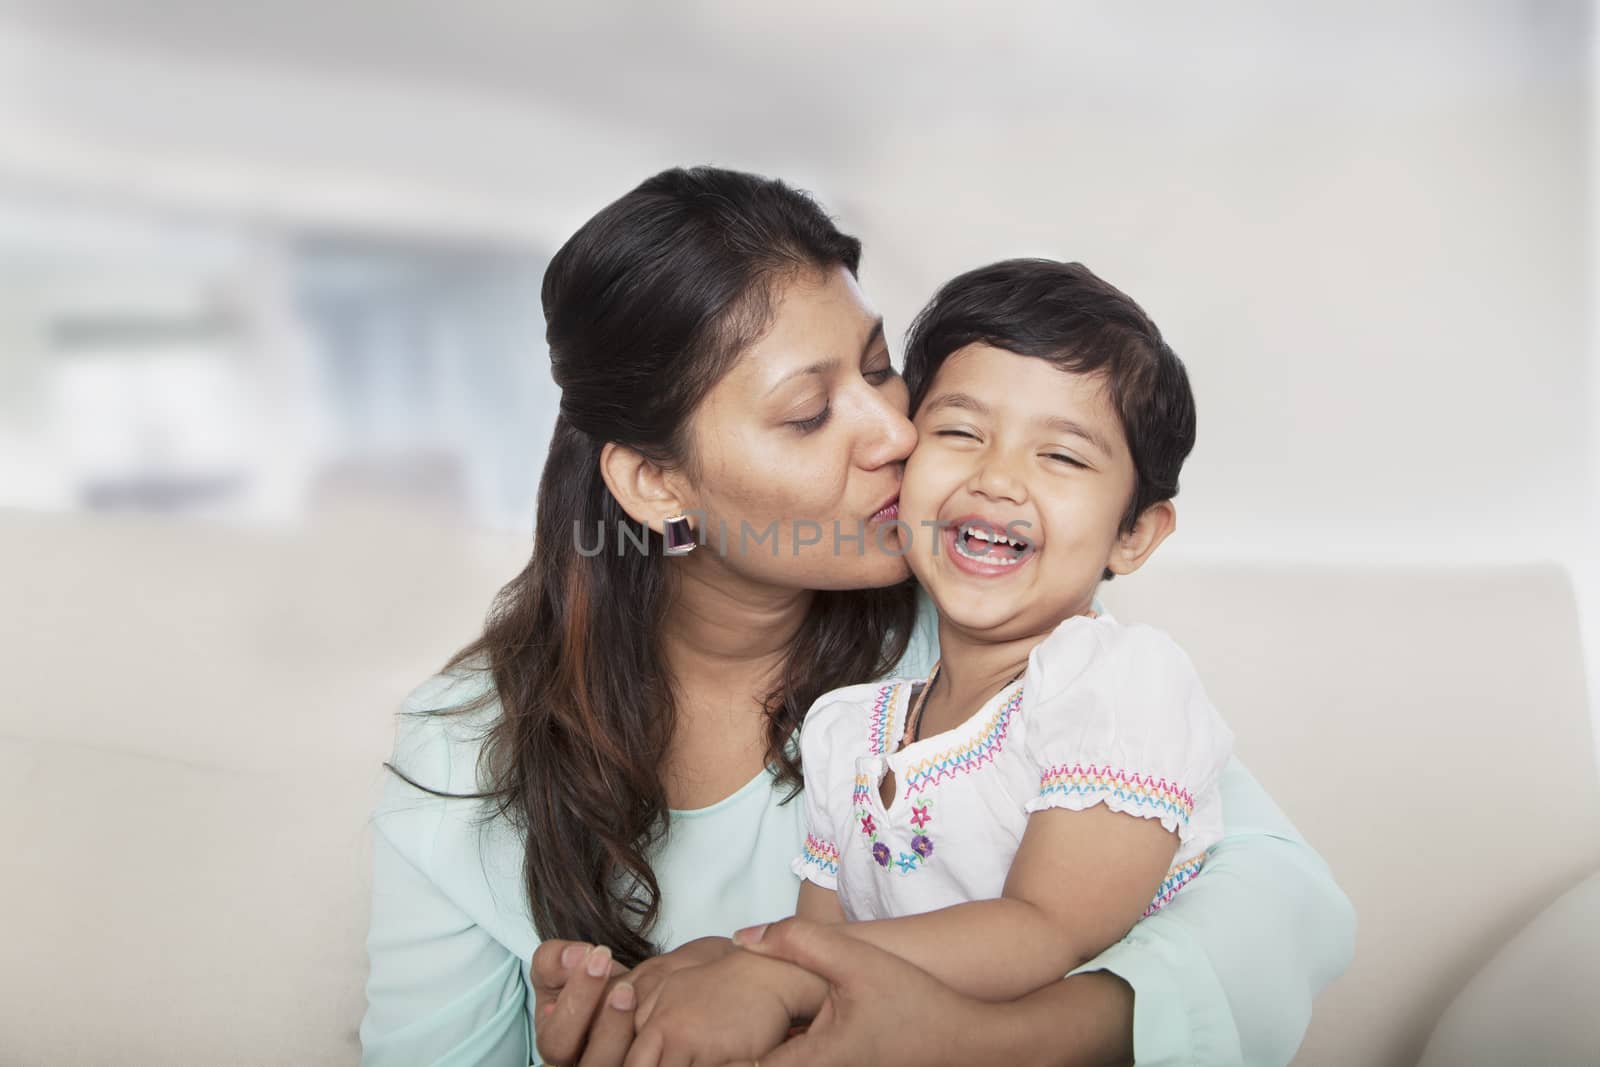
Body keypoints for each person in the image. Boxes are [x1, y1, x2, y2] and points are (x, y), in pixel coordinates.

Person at [360, 166, 1354, 1067]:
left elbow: (1280, 904)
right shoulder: (466, 750)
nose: (895, 431)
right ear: (658, 482)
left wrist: (981, 1040)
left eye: (879, 368)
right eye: (807, 412)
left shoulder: (983, 630)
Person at [614, 259, 1239, 1065]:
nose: (997, 476)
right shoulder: (847, 728)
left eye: (1063, 457)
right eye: (960, 432)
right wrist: (696, 988)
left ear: (1135, 534)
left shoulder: (1118, 687)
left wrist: (772, 973)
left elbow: (1045, 930)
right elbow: (821, 958)